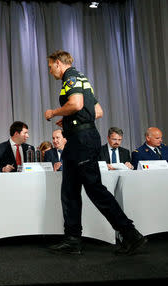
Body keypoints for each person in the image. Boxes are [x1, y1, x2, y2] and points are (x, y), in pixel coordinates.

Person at [44, 50, 146, 255]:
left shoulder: (71, 77)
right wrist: (72, 119)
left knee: (94, 189)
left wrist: (54, 112)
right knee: (69, 191)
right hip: (77, 141)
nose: (50, 71)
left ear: (57, 63)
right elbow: (98, 111)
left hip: (82, 141)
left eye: (50, 67)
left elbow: (76, 104)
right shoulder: (83, 79)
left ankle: (131, 234)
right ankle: (72, 239)